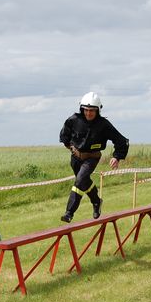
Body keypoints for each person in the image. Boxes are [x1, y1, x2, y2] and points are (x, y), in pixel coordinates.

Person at [59, 92, 129, 222]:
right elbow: (64, 137)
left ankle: (69, 213)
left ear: (98, 110)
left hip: (92, 158)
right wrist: (71, 148)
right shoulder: (73, 120)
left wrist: (117, 157)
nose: (89, 113)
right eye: (86, 110)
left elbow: (122, 141)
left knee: (80, 180)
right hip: (75, 158)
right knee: (84, 182)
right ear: (82, 109)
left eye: (92, 111)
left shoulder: (104, 125)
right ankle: (96, 202)